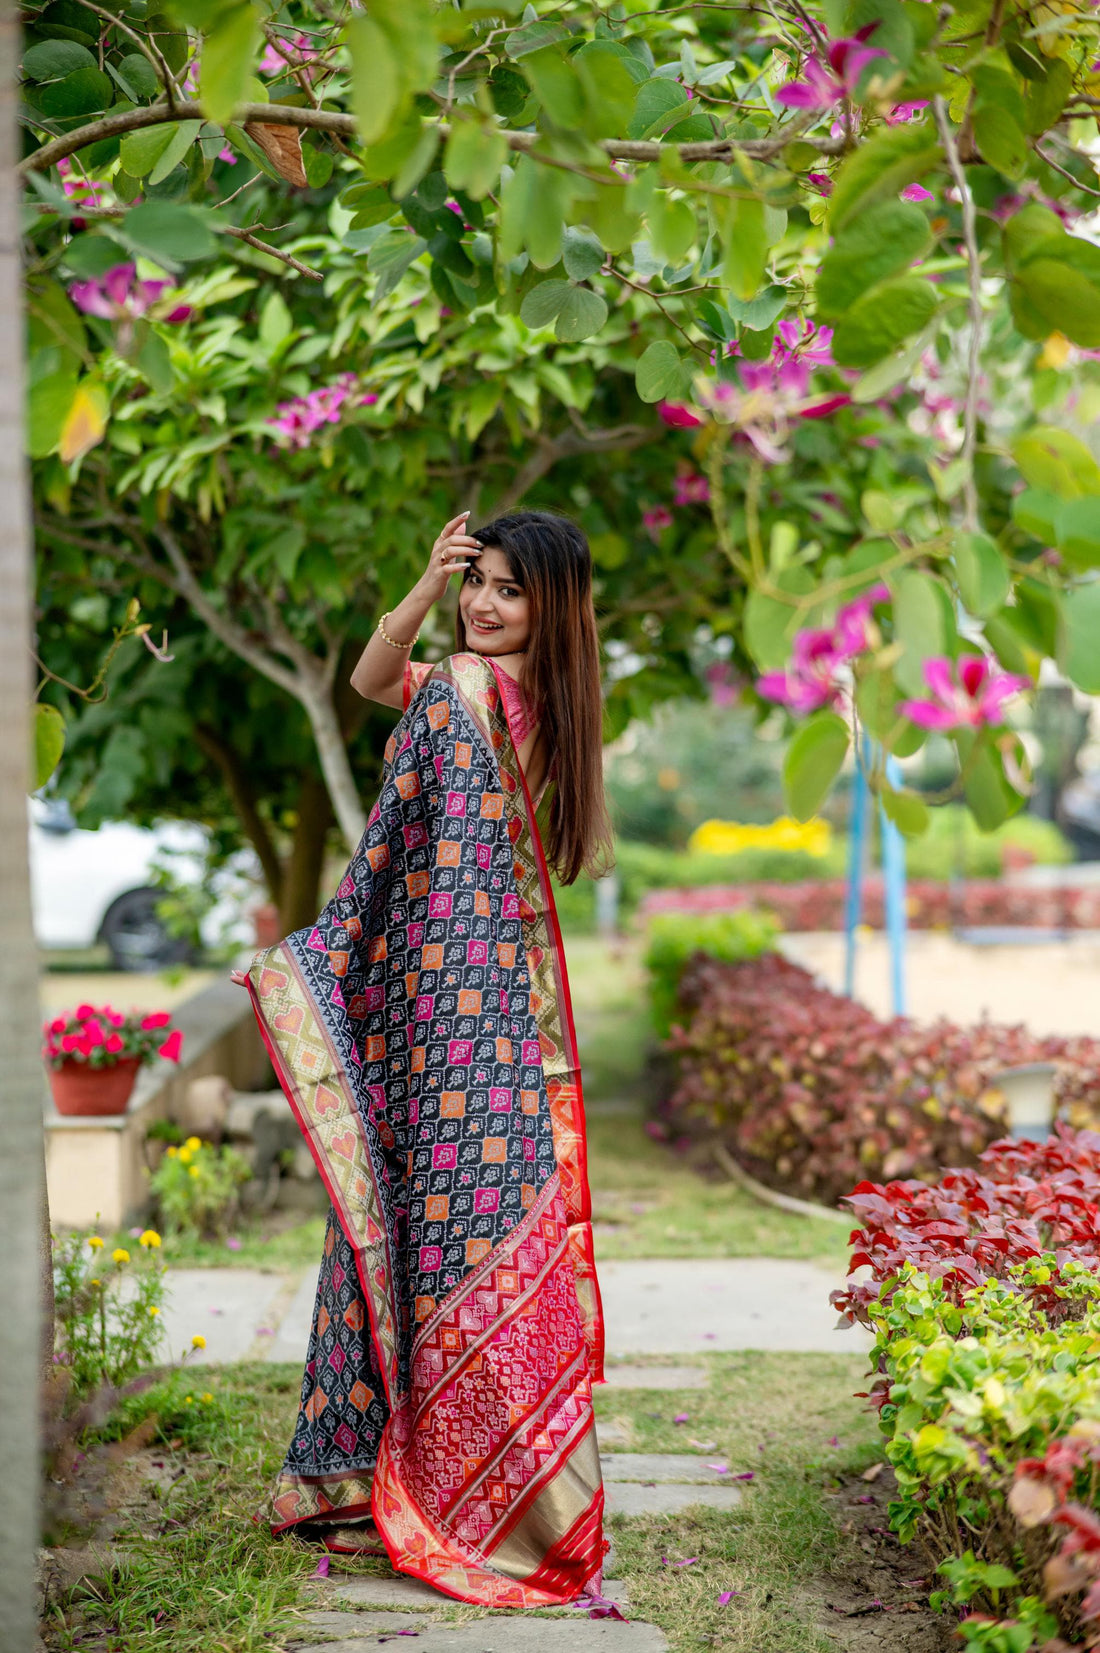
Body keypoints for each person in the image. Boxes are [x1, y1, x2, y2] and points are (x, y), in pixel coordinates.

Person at [235, 510, 613, 1610]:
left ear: (552, 605)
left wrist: (329, 954)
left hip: (436, 1008)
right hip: (498, 1008)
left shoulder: (461, 690)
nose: (481, 604)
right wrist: (420, 587)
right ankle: (505, 1488)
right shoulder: (548, 701)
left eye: (508, 589)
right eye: (474, 582)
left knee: (418, 1226)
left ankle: (423, 1490)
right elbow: (370, 680)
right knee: (481, 1233)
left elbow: (402, 830)